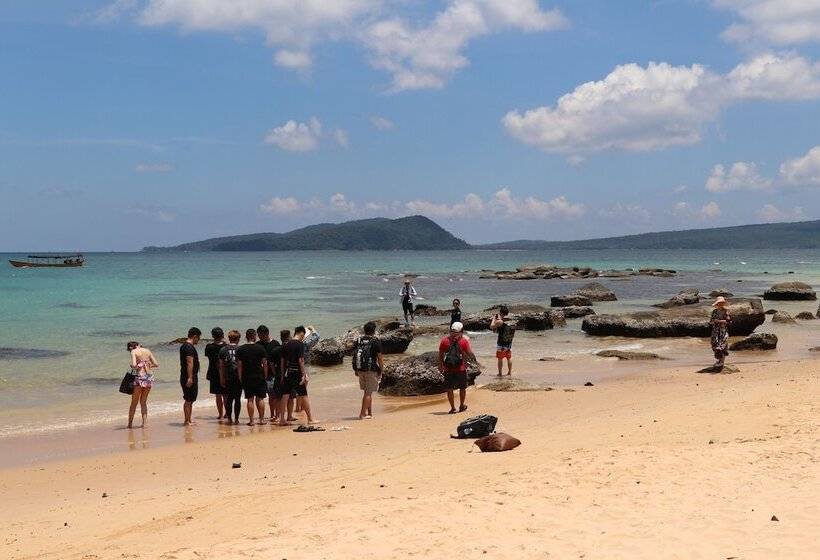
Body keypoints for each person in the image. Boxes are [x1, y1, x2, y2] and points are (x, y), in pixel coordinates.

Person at [279, 326, 316, 425]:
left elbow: (282, 361)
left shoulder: (286, 344)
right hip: (297, 373)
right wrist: (304, 375)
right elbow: (301, 360)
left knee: (285, 396)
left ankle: (282, 420)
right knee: (304, 395)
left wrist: (282, 376)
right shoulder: (300, 344)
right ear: (302, 333)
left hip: (287, 373)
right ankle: (310, 419)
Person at [438, 321, 473, 414]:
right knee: (462, 388)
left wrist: (440, 365)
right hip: (460, 368)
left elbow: (441, 354)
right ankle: (461, 405)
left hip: (448, 368)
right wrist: (468, 362)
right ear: (461, 331)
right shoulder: (464, 341)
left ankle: (453, 408)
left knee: (449, 389)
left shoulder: (444, 340)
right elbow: (469, 353)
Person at [352, 321, 384, 419]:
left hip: (360, 368)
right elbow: (380, 358)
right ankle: (362, 414)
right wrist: (381, 370)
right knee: (368, 393)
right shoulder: (375, 341)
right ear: (374, 331)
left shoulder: (358, 340)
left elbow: (354, 355)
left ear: (364, 330)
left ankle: (369, 413)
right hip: (371, 370)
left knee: (367, 392)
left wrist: (356, 370)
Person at [236, 328, 268, 426]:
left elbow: (239, 365)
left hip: (247, 376)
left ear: (246, 337)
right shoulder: (261, 348)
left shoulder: (241, 349)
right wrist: (265, 375)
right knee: (260, 398)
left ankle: (252, 421)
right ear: (255, 336)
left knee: (250, 399)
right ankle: (262, 420)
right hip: (259, 375)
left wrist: (240, 377)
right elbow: (265, 363)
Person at [126, 341, 158, 429]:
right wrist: (147, 365)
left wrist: (135, 366)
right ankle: (144, 424)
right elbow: (156, 364)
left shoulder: (134, 351)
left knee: (134, 403)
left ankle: (130, 424)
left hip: (139, 378)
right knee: (143, 402)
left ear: (132, 347)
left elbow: (133, 364)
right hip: (149, 377)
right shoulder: (147, 350)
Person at [294, 326, 320, 415]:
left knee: (299, 388)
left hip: (294, 367)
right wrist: (313, 329)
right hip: (305, 366)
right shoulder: (305, 345)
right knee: (303, 388)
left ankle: (298, 407)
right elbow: (317, 336)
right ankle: (299, 408)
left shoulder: (293, 343)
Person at [218, 330, 243, 424]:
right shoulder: (240, 349)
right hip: (238, 377)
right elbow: (242, 365)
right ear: (238, 339)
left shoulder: (223, 350)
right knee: (237, 399)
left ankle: (229, 419)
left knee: (229, 399)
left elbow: (221, 367)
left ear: (229, 338)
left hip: (228, 377)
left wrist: (221, 379)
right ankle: (236, 419)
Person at [179, 327, 201, 426]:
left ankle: (189, 419)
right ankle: (187, 421)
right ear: (195, 336)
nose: (198, 340)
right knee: (188, 399)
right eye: (198, 338)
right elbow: (189, 363)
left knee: (191, 399)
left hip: (188, 375)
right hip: (188, 376)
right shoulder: (188, 347)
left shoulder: (185, 346)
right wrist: (190, 377)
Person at [204, 327, 227, 420]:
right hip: (225, 373)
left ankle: (220, 414)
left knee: (218, 395)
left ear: (213, 336)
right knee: (226, 394)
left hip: (213, 372)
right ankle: (227, 413)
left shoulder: (209, 347)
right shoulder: (226, 346)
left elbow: (208, 357)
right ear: (222, 335)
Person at [490, 305, 515, 377]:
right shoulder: (509, 320)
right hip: (509, 342)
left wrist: (494, 319)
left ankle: (500, 373)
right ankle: (509, 372)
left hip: (501, 343)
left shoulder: (500, 321)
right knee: (509, 358)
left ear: (501, 312)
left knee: (500, 358)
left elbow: (491, 326)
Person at [710, 296, 732, 368]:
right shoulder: (714, 311)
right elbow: (711, 321)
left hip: (723, 330)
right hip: (715, 330)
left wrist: (719, 321)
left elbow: (729, 322)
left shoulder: (726, 311)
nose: (721, 304)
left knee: (723, 345)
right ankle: (719, 360)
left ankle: (722, 362)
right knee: (715, 345)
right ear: (717, 304)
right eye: (719, 303)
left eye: (722, 302)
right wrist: (715, 322)